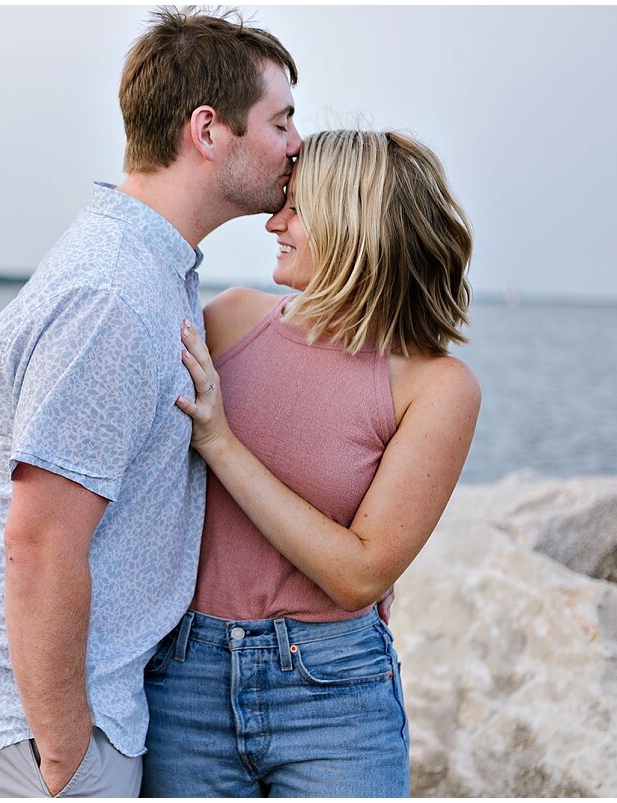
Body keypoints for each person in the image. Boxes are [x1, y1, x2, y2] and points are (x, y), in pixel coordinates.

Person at [0, 8, 301, 798]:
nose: (298, 143)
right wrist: (64, 753)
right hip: (34, 731)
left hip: (74, 714)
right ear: (208, 130)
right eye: (282, 119)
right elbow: (40, 545)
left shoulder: (152, 272)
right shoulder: (114, 296)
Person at [141, 129, 480, 797]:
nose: (274, 222)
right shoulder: (230, 319)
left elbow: (359, 572)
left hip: (336, 696)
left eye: (295, 207)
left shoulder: (437, 386)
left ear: (353, 223)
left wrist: (222, 444)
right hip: (183, 674)